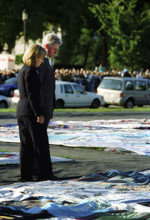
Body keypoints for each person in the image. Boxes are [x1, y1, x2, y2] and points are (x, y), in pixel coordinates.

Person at [17, 44, 48, 182]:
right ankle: (45, 174)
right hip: (30, 113)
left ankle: (26, 176)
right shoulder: (30, 72)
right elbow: (32, 95)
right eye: (41, 58)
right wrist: (39, 114)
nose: (42, 61)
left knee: (26, 146)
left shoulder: (23, 69)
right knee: (39, 144)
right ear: (34, 56)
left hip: (22, 111)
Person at [37, 33, 62, 180]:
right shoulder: (42, 62)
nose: (56, 52)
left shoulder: (47, 62)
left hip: (46, 108)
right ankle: (42, 172)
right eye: (55, 49)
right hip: (42, 109)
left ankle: (43, 171)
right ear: (47, 47)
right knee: (41, 142)